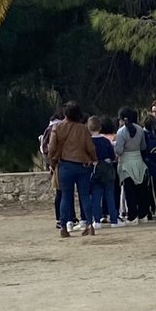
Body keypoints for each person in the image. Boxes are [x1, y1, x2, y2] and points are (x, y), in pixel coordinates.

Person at [48, 102, 97, 239]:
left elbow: (51, 148)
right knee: (85, 196)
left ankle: (64, 227)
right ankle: (89, 225)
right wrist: (93, 159)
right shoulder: (83, 129)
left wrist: (52, 163)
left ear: (65, 113)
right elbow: (91, 148)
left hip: (65, 165)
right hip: (82, 165)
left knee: (66, 197)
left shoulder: (57, 127)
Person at [115, 108, 151, 224]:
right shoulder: (140, 129)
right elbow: (143, 146)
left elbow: (119, 150)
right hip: (138, 161)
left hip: (126, 162)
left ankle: (132, 216)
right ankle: (143, 214)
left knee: (129, 191)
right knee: (141, 189)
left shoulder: (121, 132)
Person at [87, 116, 120, 229]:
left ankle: (97, 220)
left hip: (95, 170)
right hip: (107, 170)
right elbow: (112, 155)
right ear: (100, 127)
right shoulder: (105, 141)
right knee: (110, 195)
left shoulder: (89, 142)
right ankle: (114, 220)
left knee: (96, 196)